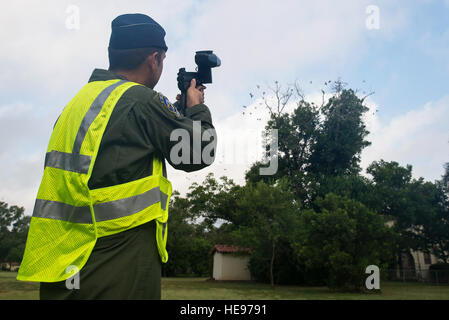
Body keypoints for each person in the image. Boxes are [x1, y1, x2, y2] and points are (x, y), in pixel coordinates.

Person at [17, 13, 216, 300]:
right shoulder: (141, 101)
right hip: (116, 270)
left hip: (66, 267)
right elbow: (199, 151)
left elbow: (122, 140)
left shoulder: (79, 102)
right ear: (154, 59)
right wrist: (195, 108)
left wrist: (174, 112)